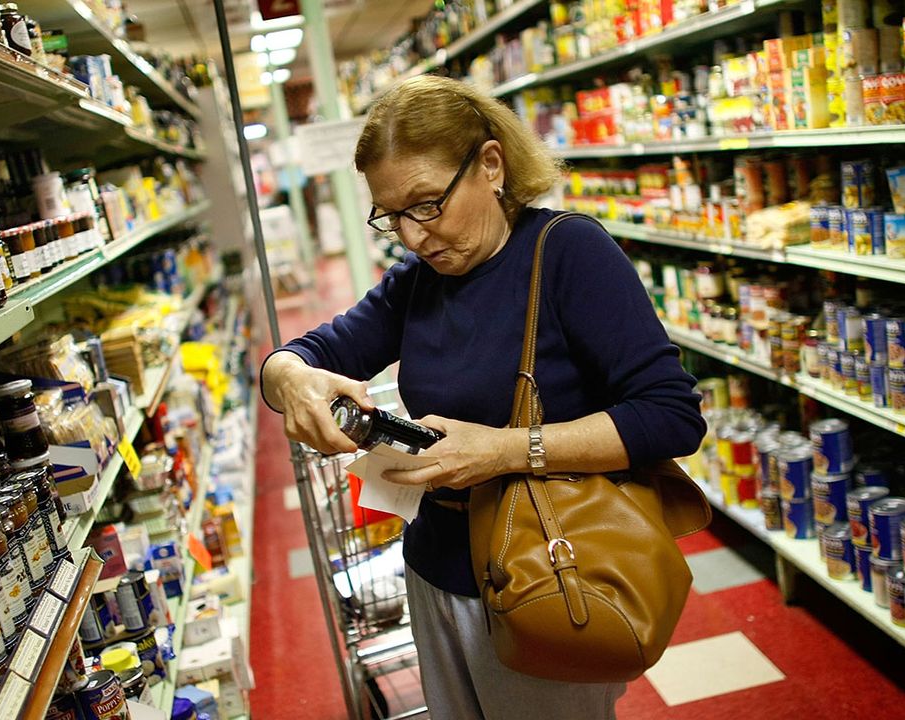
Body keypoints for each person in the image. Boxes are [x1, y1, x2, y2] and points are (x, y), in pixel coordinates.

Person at [261, 74, 706, 719]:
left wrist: (506, 450)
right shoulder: (418, 280)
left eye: (426, 205)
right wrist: (288, 376)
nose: (412, 236)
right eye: (391, 216)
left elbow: (670, 416)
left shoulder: (568, 253)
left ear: (490, 165)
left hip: (548, 571)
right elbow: (308, 353)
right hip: (435, 567)